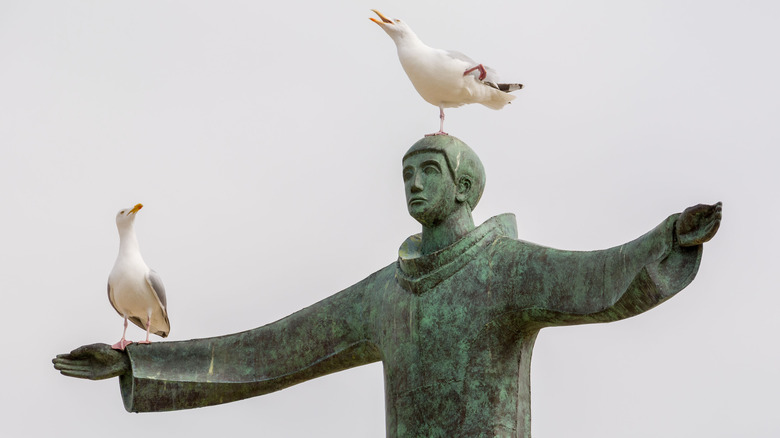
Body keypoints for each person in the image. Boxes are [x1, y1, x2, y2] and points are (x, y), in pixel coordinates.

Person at [54, 135, 722, 438]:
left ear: (462, 187)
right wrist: (134, 361)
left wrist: (669, 240)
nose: (413, 183)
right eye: (407, 173)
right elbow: (270, 353)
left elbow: (598, 279)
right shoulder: (386, 294)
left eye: (428, 170)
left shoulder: (508, 270)